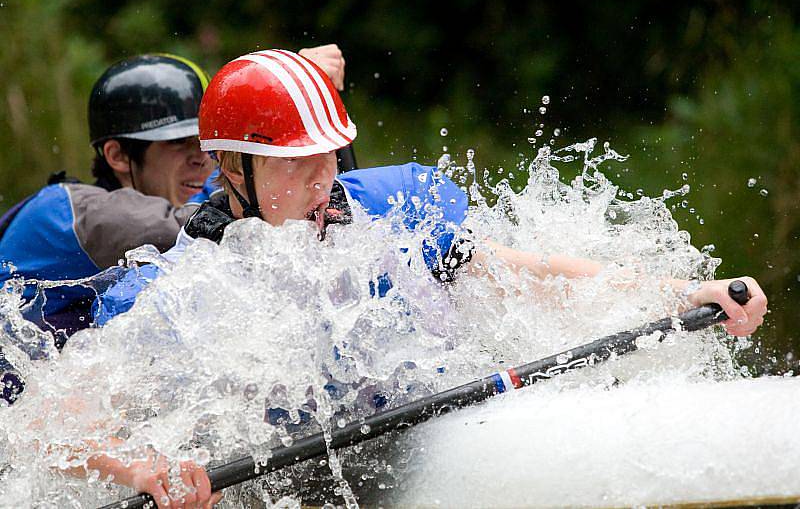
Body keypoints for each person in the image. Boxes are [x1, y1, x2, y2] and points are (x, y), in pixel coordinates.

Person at [83, 49, 767, 507]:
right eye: (296, 165)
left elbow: (522, 274)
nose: (325, 180)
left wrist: (681, 291)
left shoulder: (389, 206)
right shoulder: (178, 291)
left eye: (330, 156)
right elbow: (58, 419)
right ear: (233, 169)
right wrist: (145, 468)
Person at [0, 45, 346, 405]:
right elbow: (230, 223)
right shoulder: (68, 214)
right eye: (180, 144)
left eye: (210, 145)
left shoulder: (178, 195)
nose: (204, 160)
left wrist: (306, 106)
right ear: (117, 155)